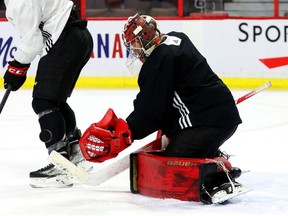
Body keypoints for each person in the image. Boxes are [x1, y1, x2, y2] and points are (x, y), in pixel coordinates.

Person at [78, 13, 244, 203]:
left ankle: (217, 178)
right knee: (173, 143)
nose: (135, 50)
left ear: (146, 39)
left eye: (135, 44)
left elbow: (151, 109)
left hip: (207, 122)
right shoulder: (177, 38)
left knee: (172, 163)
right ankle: (213, 157)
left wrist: (129, 131)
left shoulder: (160, 60)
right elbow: (169, 101)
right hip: (217, 114)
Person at [3, 0, 94, 188]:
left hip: (66, 38)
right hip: (79, 35)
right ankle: (75, 152)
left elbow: (32, 42)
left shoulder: (19, 2)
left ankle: (59, 165)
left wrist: (16, 68)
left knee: (43, 101)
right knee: (55, 100)